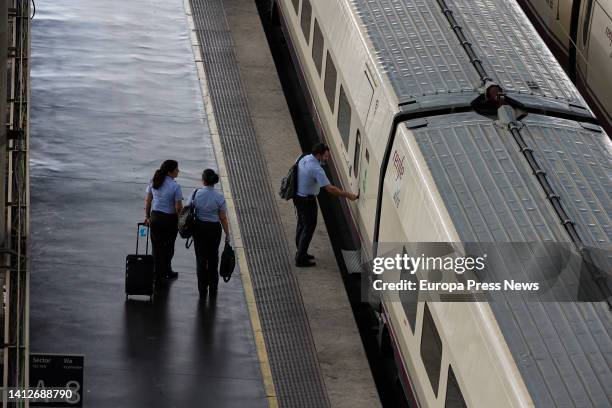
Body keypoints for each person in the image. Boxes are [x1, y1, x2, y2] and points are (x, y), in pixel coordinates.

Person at [294, 143, 358, 267]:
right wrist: (348, 195)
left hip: (298, 197)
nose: (327, 159)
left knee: (301, 225)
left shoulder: (303, 158)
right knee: (308, 228)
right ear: (318, 155)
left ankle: (301, 252)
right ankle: (300, 259)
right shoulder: (316, 169)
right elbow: (330, 189)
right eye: (325, 157)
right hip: (307, 201)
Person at [189, 169, 230, 297]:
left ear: (203, 180)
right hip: (214, 229)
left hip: (199, 228)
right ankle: (213, 288)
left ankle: (202, 289)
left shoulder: (196, 194)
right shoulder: (219, 197)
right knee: (213, 258)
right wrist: (227, 233)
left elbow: (187, 209)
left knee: (200, 259)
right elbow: (223, 217)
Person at [144, 160, 183, 282]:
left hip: (155, 218)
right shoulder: (175, 186)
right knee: (169, 246)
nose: (178, 171)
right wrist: (181, 220)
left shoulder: (154, 181)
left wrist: (147, 217)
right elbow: (178, 207)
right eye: (176, 169)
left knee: (156, 246)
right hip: (170, 220)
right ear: (170, 172)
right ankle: (167, 270)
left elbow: (148, 201)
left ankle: (156, 273)